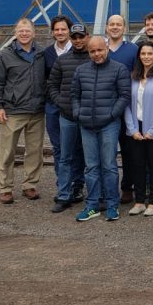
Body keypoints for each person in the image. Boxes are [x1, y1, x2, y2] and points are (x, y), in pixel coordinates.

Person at [71, 36, 131, 222]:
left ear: (106, 49)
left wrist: (112, 115)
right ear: (88, 52)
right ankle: (92, 205)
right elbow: (75, 95)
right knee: (91, 167)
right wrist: (78, 113)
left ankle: (113, 204)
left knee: (109, 166)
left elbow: (124, 95)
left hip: (109, 125)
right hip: (86, 125)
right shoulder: (81, 71)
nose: (96, 54)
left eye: (100, 50)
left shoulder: (119, 69)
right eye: (92, 51)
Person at [0, 18, 47, 204]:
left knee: (34, 151)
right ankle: (5, 188)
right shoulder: (5, 55)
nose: (24, 34)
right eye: (20, 31)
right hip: (13, 111)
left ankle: (30, 185)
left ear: (34, 33)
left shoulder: (41, 53)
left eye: (27, 31)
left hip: (37, 111)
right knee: (7, 152)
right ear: (15, 33)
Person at [123, 42, 153, 217]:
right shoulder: (132, 77)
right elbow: (127, 105)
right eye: (143, 53)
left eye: (149, 53)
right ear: (139, 56)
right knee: (137, 166)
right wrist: (132, 129)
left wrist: (152, 130)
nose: (146, 56)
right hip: (135, 130)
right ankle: (139, 201)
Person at [47, 23, 91, 212]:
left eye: (81, 36)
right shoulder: (62, 60)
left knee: (88, 157)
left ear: (87, 36)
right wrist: (60, 102)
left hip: (88, 117)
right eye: (75, 37)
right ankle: (63, 195)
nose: (78, 40)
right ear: (71, 39)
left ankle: (82, 190)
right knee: (65, 156)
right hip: (67, 116)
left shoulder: (94, 58)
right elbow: (52, 85)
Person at [106, 14, 140, 205]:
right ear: (106, 27)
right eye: (112, 24)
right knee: (108, 152)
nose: (115, 27)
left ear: (124, 28)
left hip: (128, 108)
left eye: (119, 24)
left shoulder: (133, 50)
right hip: (106, 108)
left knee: (129, 152)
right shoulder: (101, 49)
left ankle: (128, 188)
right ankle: (109, 189)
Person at [42, 15, 73, 189]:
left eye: (63, 29)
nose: (60, 32)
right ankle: (63, 184)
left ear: (69, 30)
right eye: (57, 29)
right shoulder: (46, 53)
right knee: (59, 147)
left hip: (74, 106)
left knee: (75, 147)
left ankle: (76, 182)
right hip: (53, 106)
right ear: (53, 32)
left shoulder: (78, 50)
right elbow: (44, 80)